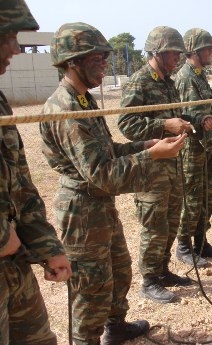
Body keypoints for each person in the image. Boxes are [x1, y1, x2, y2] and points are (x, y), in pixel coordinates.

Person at [40, 22, 187, 345]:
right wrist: (153, 157)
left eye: (106, 58)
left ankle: (116, 327)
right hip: (82, 211)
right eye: (98, 59)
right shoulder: (66, 107)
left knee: (118, 272)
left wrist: (146, 145)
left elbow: (109, 150)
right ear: (72, 61)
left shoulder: (82, 100)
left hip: (98, 206)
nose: (105, 66)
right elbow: (102, 173)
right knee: (90, 291)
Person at [0, 1, 72, 344]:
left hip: (12, 265)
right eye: (7, 35)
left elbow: (20, 185)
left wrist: (46, 245)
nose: (16, 47)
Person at [118, 26, 193, 304]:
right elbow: (126, 124)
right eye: (174, 53)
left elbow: (172, 117)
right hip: (151, 169)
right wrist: (164, 125)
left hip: (173, 166)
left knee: (172, 221)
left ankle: (162, 271)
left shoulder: (168, 82)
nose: (178, 58)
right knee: (154, 225)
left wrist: (186, 121)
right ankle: (149, 281)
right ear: (158, 52)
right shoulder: (140, 81)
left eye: (179, 53)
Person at [174, 28, 212, 267]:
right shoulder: (187, 77)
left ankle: (200, 243)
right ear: (195, 51)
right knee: (191, 198)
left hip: (204, 148)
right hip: (192, 148)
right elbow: (194, 121)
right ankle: (183, 246)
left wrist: (210, 120)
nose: (211, 51)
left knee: (207, 196)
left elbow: (203, 116)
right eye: (208, 48)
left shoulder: (198, 75)